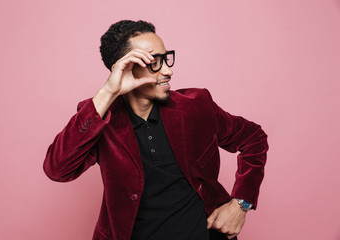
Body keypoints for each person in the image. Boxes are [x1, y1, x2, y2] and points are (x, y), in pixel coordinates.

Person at [43, 20, 269, 240]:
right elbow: (57, 169)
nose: (168, 70)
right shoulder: (100, 116)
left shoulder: (195, 105)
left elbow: (253, 138)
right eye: (154, 62)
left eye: (166, 59)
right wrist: (108, 92)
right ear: (124, 68)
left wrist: (241, 203)